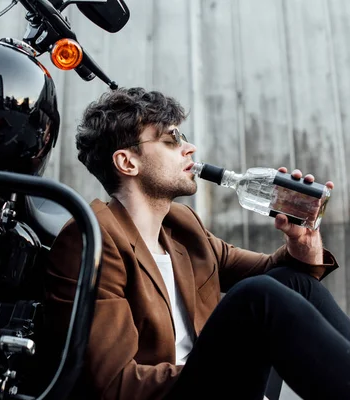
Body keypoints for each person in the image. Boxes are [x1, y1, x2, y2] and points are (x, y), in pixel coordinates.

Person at [42, 87, 350, 400]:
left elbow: (277, 274)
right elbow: (114, 384)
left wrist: (302, 242)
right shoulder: (92, 239)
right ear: (127, 162)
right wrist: (226, 366)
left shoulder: (183, 226)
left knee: (292, 282)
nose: (190, 148)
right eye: (171, 139)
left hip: (209, 383)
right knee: (258, 296)